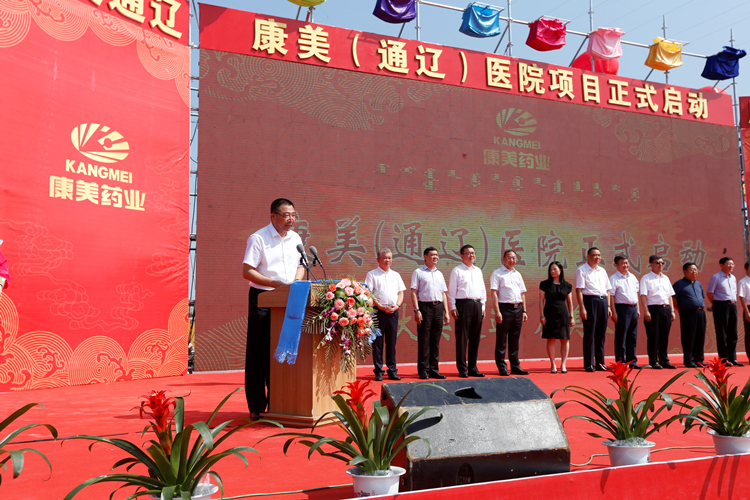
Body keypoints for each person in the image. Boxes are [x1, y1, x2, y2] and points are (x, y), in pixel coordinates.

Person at [242, 198, 305, 420]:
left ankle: (280, 401)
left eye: (294, 215)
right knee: (259, 352)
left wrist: (296, 283)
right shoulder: (258, 238)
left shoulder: (296, 238)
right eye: (286, 215)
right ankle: (257, 405)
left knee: (283, 349)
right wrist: (274, 284)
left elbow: (301, 266)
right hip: (263, 298)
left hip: (288, 298)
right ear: (273, 216)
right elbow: (247, 271)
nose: (291, 219)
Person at [366, 248, 406, 381]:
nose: (387, 260)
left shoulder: (396, 275)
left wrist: (397, 305)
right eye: (384, 258)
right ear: (378, 259)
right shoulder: (372, 274)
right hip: (378, 312)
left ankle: (392, 370)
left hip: (393, 311)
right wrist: (380, 306)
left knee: (391, 342)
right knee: (377, 343)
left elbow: (401, 293)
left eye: (389, 258)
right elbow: (369, 294)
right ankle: (378, 371)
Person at [411, 247, 450, 380]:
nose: (435, 257)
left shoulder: (439, 274)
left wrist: (446, 311)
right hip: (425, 307)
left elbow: (443, 293)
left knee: (435, 340)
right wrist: (417, 310)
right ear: (425, 257)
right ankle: (423, 370)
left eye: (437, 255)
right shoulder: (418, 272)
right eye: (432, 255)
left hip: (438, 307)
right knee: (424, 340)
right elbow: (414, 292)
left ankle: (434, 369)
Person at [448, 244, 487, 378]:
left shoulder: (478, 271)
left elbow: (482, 289)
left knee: (475, 338)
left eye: (473, 253)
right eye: (468, 253)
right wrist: (453, 307)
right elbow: (452, 290)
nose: (471, 255)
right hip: (463, 305)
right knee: (462, 338)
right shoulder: (457, 271)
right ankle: (462, 368)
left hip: (477, 305)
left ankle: (473, 367)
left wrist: (483, 306)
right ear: (462, 255)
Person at [490, 250, 529, 376]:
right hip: (504, 308)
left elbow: (522, 293)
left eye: (514, 258)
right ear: (503, 259)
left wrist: (524, 310)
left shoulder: (518, 274)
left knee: (515, 339)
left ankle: (515, 366)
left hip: (518, 308)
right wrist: (497, 311)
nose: (511, 260)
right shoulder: (497, 273)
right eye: (509, 257)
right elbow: (494, 293)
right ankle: (502, 367)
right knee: (501, 339)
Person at [575, 247, 612, 372]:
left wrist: (608, 306)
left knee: (601, 334)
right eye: (595, 255)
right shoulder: (581, 270)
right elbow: (579, 290)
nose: (597, 257)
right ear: (588, 256)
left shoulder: (602, 271)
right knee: (590, 334)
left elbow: (608, 290)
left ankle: (600, 363)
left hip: (603, 301)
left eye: (599, 255)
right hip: (590, 301)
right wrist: (582, 308)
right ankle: (589, 363)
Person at [639, 255, 677, 369]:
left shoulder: (666, 278)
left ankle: (664, 360)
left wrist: (672, 310)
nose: (660, 265)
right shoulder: (646, 278)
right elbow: (643, 296)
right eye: (657, 263)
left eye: (662, 263)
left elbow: (669, 295)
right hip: (653, 309)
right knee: (653, 336)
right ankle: (653, 360)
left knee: (664, 336)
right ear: (651, 264)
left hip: (666, 309)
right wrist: (646, 311)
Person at [538, 261, 575, 374]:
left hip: (563, 314)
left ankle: (563, 364)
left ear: (560, 270)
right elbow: (541, 300)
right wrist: (542, 315)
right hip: (549, 313)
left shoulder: (567, 285)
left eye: (555, 269)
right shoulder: (544, 284)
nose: (552, 271)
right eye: (551, 269)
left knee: (565, 339)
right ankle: (553, 364)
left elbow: (570, 302)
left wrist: (572, 316)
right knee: (551, 339)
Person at [708, 257, 743, 366]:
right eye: (728, 264)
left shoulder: (733, 278)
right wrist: (717, 305)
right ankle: (723, 359)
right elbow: (710, 293)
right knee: (722, 333)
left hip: (732, 305)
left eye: (732, 264)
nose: (731, 266)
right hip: (721, 305)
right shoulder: (716, 277)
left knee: (733, 333)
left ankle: (733, 358)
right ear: (721, 265)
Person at [672, 262, 707, 368]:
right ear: (685, 271)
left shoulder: (698, 284)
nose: (694, 271)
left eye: (696, 269)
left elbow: (701, 297)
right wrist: (680, 310)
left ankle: (699, 359)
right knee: (689, 337)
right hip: (688, 313)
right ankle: (689, 360)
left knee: (700, 336)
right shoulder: (679, 284)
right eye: (691, 269)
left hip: (700, 313)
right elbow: (674, 299)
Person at [609, 256, 641, 369]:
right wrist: (614, 312)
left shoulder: (633, 277)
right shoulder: (614, 278)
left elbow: (636, 293)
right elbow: (611, 296)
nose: (625, 265)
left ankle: (632, 361)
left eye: (627, 263)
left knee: (633, 336)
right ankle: (620, 362)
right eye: (622, 263)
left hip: (633, 308)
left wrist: (638, 309)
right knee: (621, 336)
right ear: (616, 265)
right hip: (621, 309)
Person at [738, 261, 750, 366]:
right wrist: (747, 312)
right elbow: (742, 298)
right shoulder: (743, 282)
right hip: (749, 307)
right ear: (746, 269)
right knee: (749, 333)